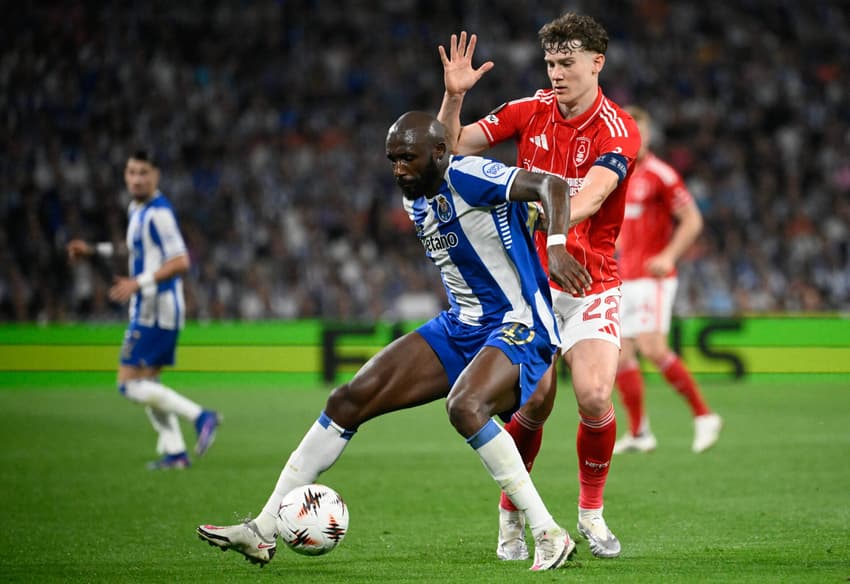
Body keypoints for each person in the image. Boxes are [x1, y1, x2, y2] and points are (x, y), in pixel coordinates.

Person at [196, 111, 593, 571]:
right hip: (461, 326)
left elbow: (551, 185)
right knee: (348, 399)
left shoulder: (468, 175)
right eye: (393, 159)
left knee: (464, 407)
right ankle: (263, 529)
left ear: (439, 154)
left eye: (408, 158)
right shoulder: (415, 200)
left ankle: (548, 534)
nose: (399, 168)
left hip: (519, 321)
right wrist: (452, 95)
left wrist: (556, 244)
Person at [437, 12, 641, 560]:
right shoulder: (529, 111)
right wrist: (454, 96)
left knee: (594, 395)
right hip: (531, 287)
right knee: (536, 402)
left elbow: (592, 197)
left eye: (567, 62)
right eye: (550, 62)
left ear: (597, 63)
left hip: (590, 283)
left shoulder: (619, 129)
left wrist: (551, 232)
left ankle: (591, 514)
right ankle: (513, 517)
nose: (556, 73)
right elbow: (450, 147)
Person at [66, 149, 220, 470]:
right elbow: (133, 248)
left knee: (129, 384)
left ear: (156, 176)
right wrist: (93, 250)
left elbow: (181, 261)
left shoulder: (159, 213)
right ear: (126, 176)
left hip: (157, 309)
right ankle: (176, 454)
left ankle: (201, 416)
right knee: (150, 384)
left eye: (143, 173)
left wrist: (138, 282)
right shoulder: (137, 209)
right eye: (132, 172)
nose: (137, 179)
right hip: (150, 307)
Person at [612, 106, 722, 454]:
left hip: (653, 278)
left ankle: (704, 415)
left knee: (653, 347)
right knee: (620, 356)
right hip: (625, 276)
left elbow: (692, 220)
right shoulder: (618, 174)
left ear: (649, 136)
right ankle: (639, 432)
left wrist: (669, 255)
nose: (635, 138)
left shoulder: (661, 174)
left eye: (640, 131)